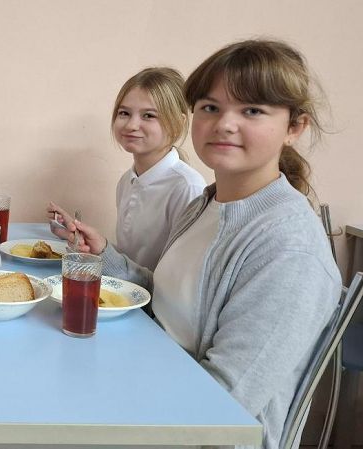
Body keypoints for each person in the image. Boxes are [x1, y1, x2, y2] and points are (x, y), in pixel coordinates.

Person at [49, 40, 341, 449]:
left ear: (295, 128)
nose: (224, 124)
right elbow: (168, 299)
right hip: (147, 380)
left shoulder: (289, 249)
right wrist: (105, 257)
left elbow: (218, 407)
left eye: (252, 110)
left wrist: (109, 395)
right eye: (210, 107)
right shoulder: (207, 203)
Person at [52, 67, 205, 269]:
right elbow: (130, 260)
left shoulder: (188, 188)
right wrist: (81, 235)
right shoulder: (127, 181)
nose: (131, 125)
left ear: (179, 122)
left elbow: (179, 277)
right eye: (124, 113)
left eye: (148, 115)